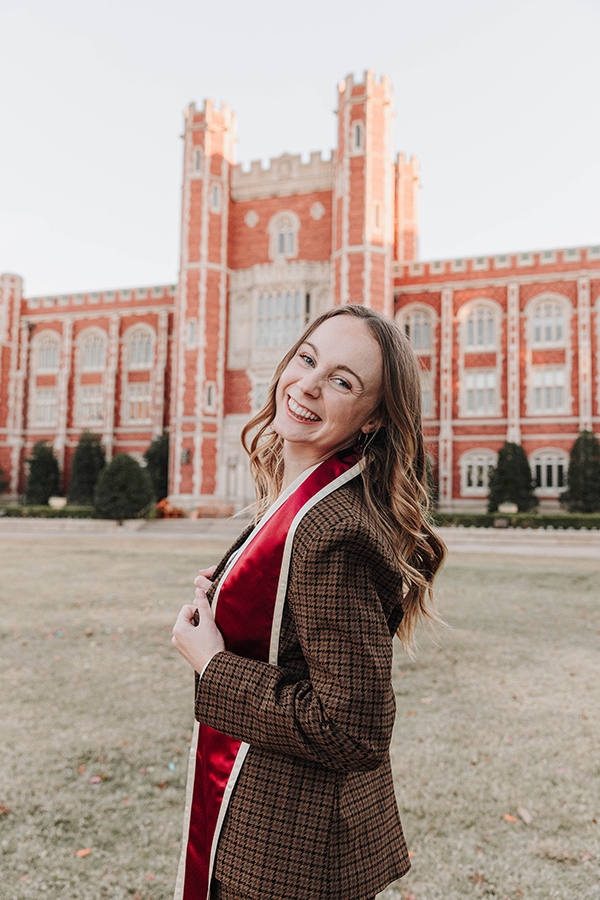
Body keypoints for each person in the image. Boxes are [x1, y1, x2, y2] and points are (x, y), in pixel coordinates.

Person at [171, 304, 446, 900]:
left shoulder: (332, 530)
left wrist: (212, 664)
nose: (310, 385)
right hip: (273, 828)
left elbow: (353, 730)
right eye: (308, 357)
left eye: (343, 381)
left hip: (289, 854)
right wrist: (232, 596)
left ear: (372, 419)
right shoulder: (306, 497)